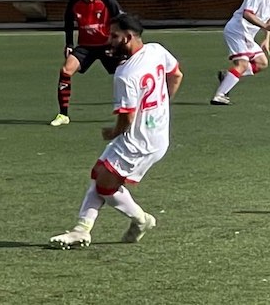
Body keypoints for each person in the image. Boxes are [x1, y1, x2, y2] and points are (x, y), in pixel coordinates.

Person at [49, 13, 183, 249]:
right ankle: (82, 229)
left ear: (128, 37)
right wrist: (162, 106)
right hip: (153, 133)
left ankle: (141, 220)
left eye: (114, 36)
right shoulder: (156, 50)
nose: (108, 40)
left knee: (105, 185)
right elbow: (177, 75)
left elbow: (127, 117)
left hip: (140, 141)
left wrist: (113, 132)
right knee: (99, 173)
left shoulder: (126, 74)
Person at [50, 0, 124, 127]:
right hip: (86, 47)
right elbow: (68, 25)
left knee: (126, 73)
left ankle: (131, 109)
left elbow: (121, 22)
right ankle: (63, 114)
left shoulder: (108, 1)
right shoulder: (74, 4)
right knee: (65, 71)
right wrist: (69, 44)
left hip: (107, 46)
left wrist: (118, 45)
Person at [210, 0, 270, 106]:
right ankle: (219, 95)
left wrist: (266, 38)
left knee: (262, 63)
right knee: (242, 64)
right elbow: (247, 14)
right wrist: (264, 27)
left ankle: (228, 76)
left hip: (247, 35)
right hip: (237, 31)